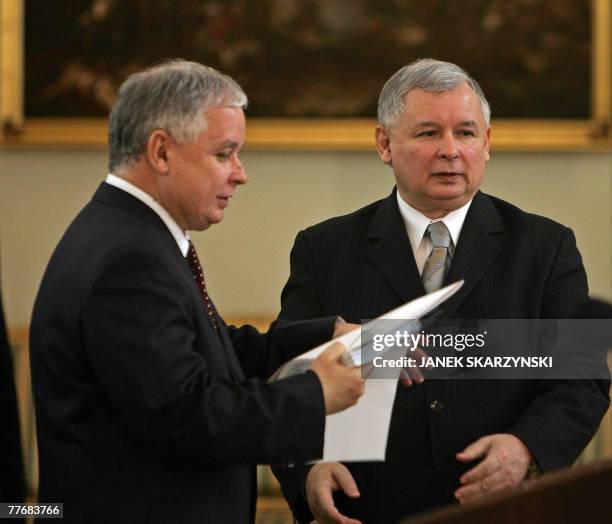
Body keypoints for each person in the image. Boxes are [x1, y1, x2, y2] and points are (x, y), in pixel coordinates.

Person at [273, 59, 610, 524]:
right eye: (429, 133)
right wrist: (308, 471)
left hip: (504, 508)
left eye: (467, 133)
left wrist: (526, 447)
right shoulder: (324, 248)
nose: (451, 151)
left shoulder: (545, 246)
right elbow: (288, 374)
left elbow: (582, 375)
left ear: (487, 143)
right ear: (384, 144)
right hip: (367, 510)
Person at [29, 59, 365, 524]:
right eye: (224, 153)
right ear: (161, 152)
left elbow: (208, 351)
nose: (240, 173)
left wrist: (328, 335)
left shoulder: (127, 232)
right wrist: (314, 394)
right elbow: (185, 415)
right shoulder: (130, 258)